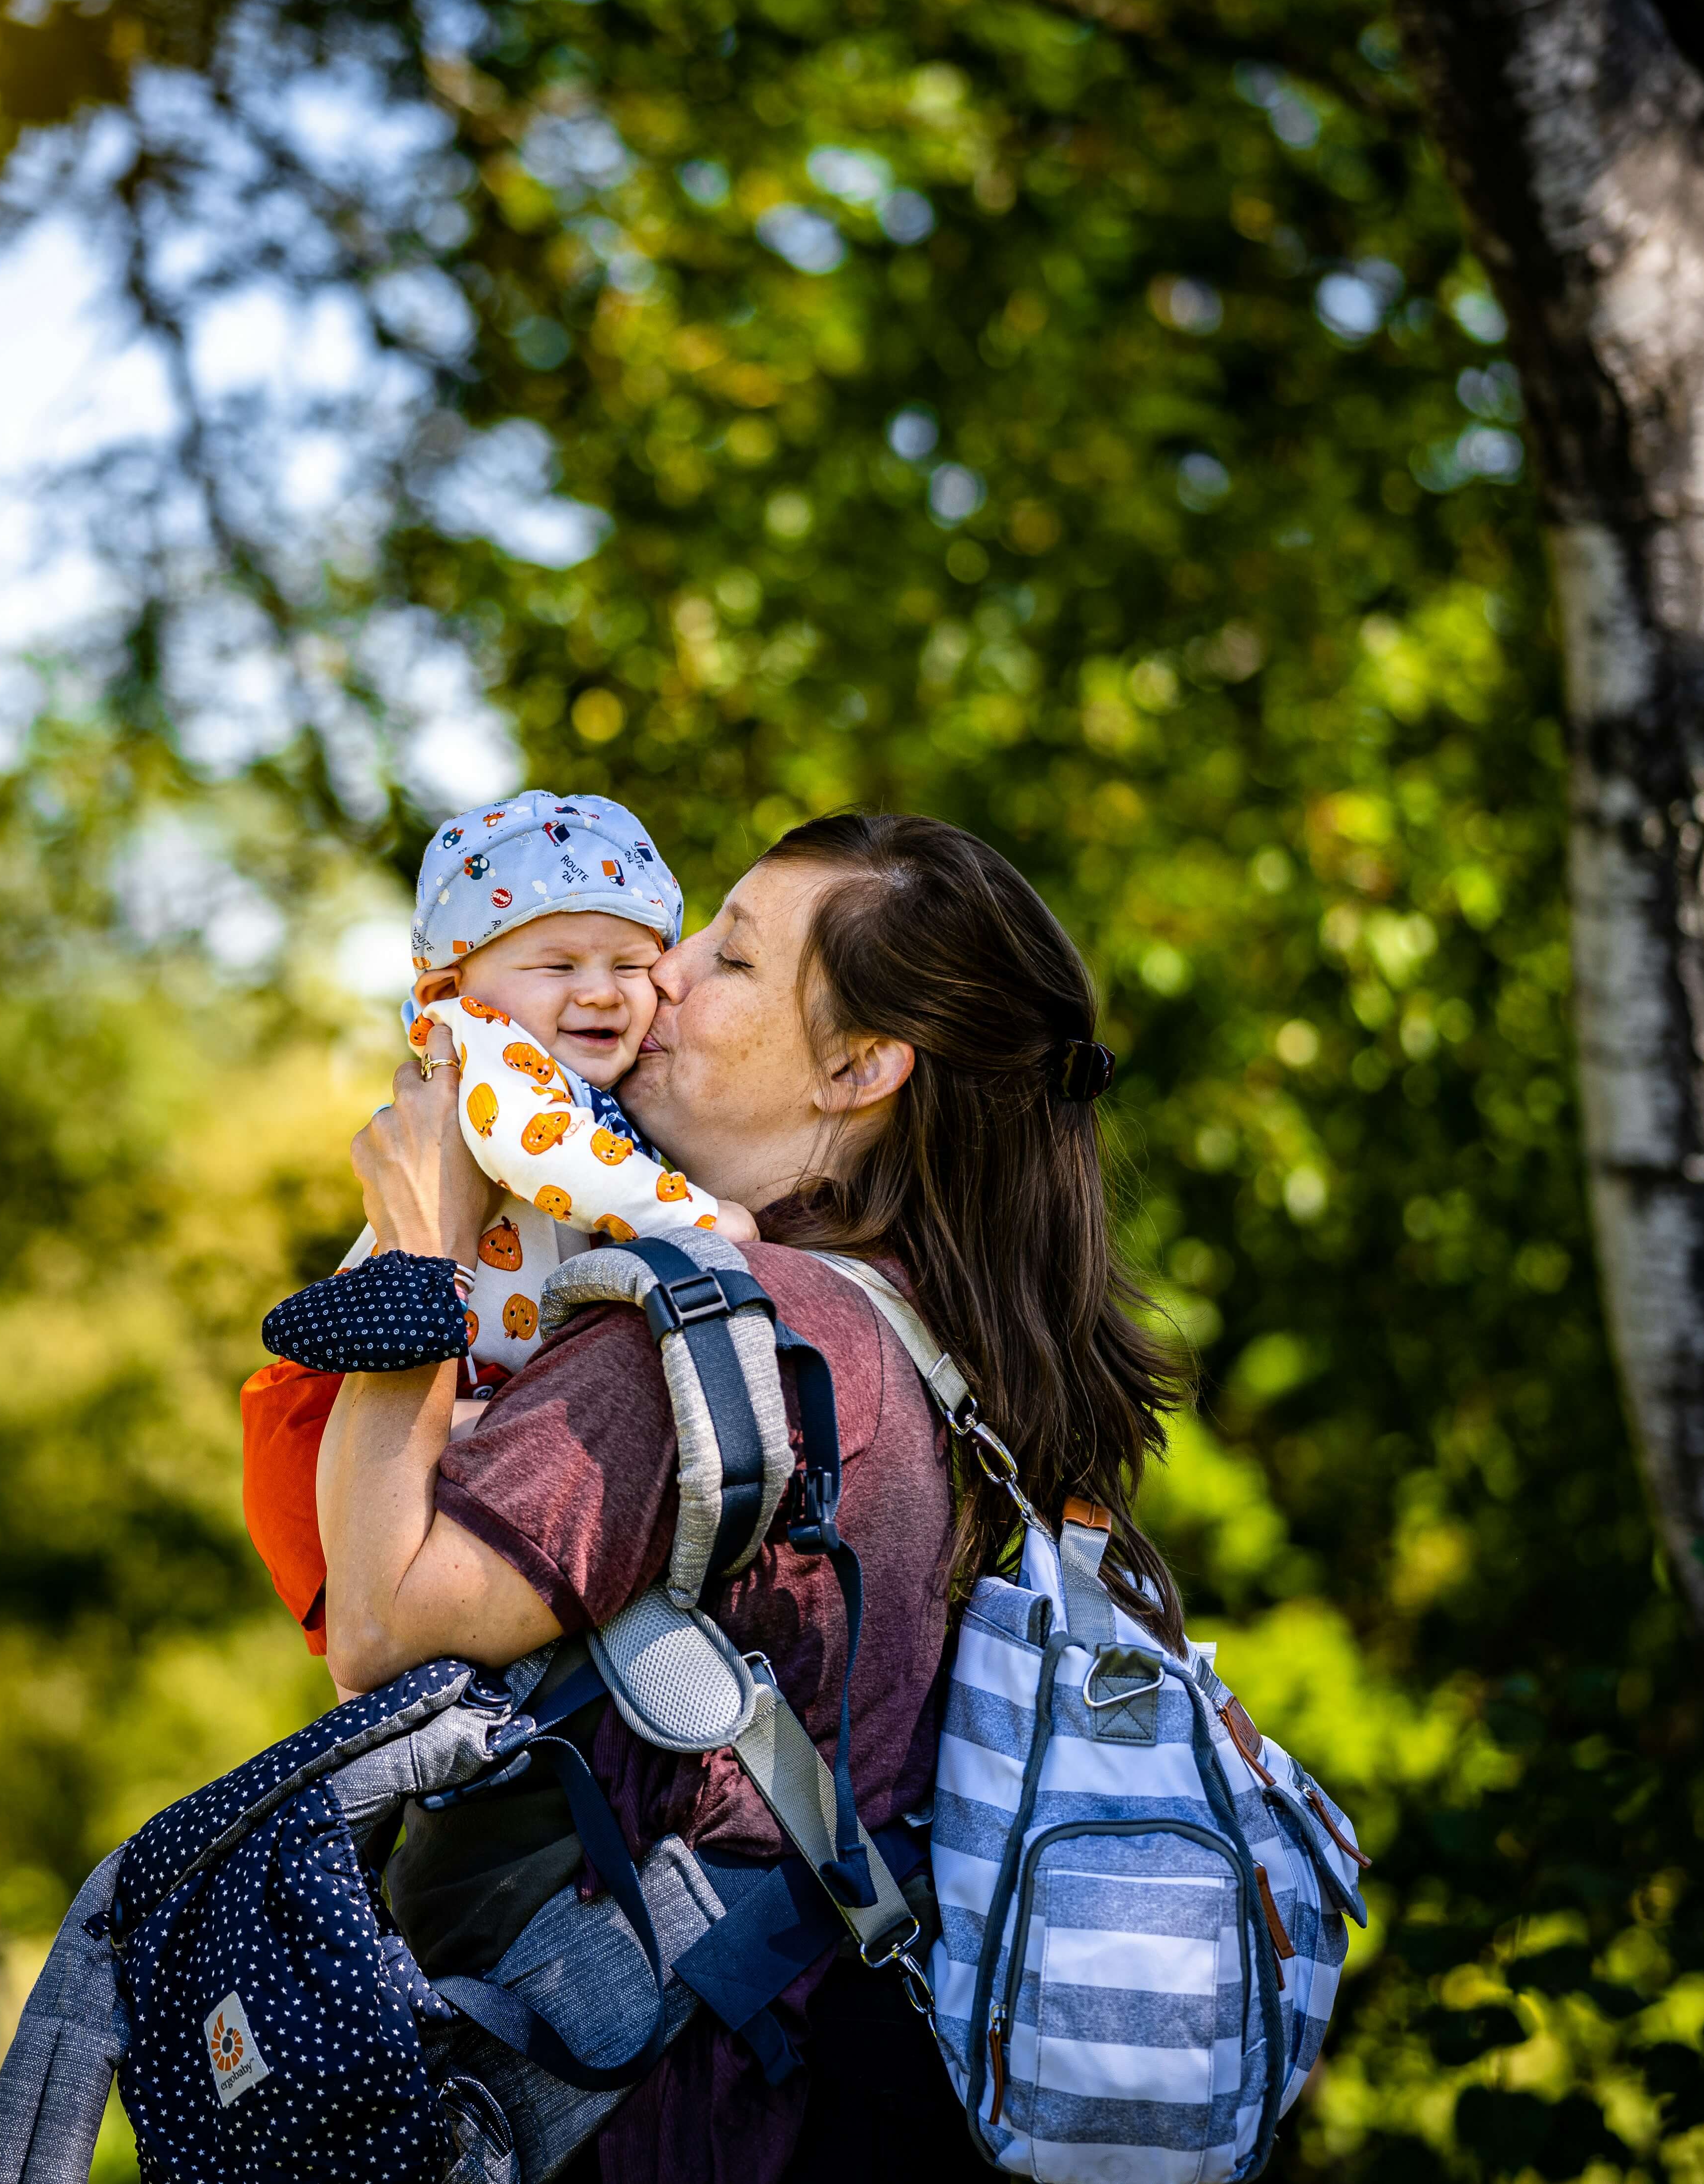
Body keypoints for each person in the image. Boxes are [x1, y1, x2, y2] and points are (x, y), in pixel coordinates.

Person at [322, 812, 1189, 2183]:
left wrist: (414, 1261)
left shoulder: (712, 1336)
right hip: (871, 2095)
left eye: (726, 957)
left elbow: (379, 1624)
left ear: (859, 1066)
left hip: (683, 2113)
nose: (656, 976)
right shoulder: (958, 1349)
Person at [242, 788, 746, 1653]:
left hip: (454, 1387)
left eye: (630, 966)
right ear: (451, 984)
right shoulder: (483, 1047)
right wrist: (700, 1219)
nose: (600, 992)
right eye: (557, 966)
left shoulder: (580, 1080)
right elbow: (541, 1150)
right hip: (344, 1405)